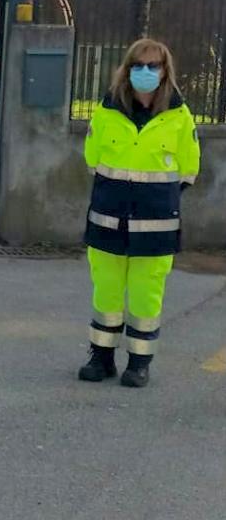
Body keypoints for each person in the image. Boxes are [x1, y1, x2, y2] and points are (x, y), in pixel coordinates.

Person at [78, 38, 199, 388]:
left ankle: (139, 364)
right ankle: (101, 360)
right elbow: (92, 158)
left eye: (152, 66)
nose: (144, 72)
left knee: (146, 296)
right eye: (138, 65)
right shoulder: (107, 110)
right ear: (127, 68)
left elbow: (189, 168)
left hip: (155, 222)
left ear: (164, 72)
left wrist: (157, 198)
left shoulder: (179, 115)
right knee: (107, 293)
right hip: (108, 218)